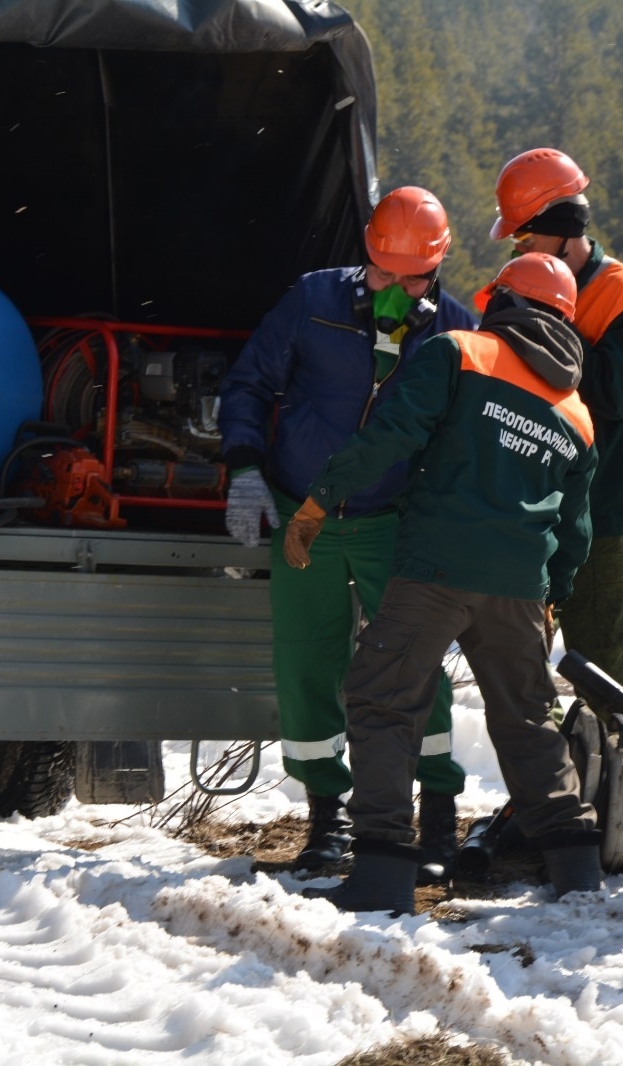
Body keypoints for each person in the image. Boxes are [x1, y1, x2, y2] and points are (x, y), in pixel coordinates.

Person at [287, 253, 601, 915]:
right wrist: (552, 595)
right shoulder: (576, 412)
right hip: (520, 586)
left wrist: (320, 500)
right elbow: (575, 528)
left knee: (382, 699)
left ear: (505, 301)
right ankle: (577, 870)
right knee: (527, 719)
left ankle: (382, 872)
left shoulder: (459, 352)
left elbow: (390, 435)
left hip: (437, 568)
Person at [219, 187, 477, 880]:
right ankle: (326, 818)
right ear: (366, 255)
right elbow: (249, 384)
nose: (393, 290)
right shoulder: (314, 301)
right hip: (303, 515)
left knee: (415, 664)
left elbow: (466, 442)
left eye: (411, 279)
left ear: (438, 267)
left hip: (395, 522)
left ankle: (438, 815)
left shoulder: (458, 332)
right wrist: (244, 468)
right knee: (307, 664)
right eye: (382, 272)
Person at [488, 148, 623, 704]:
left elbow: (616, 396)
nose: (518, 247)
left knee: (601, 660)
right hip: (534, 505)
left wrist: (545, 331)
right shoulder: (520, 285)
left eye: (525, 235)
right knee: (519, 655)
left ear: (563, 229)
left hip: (602, 509)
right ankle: (548, 761)